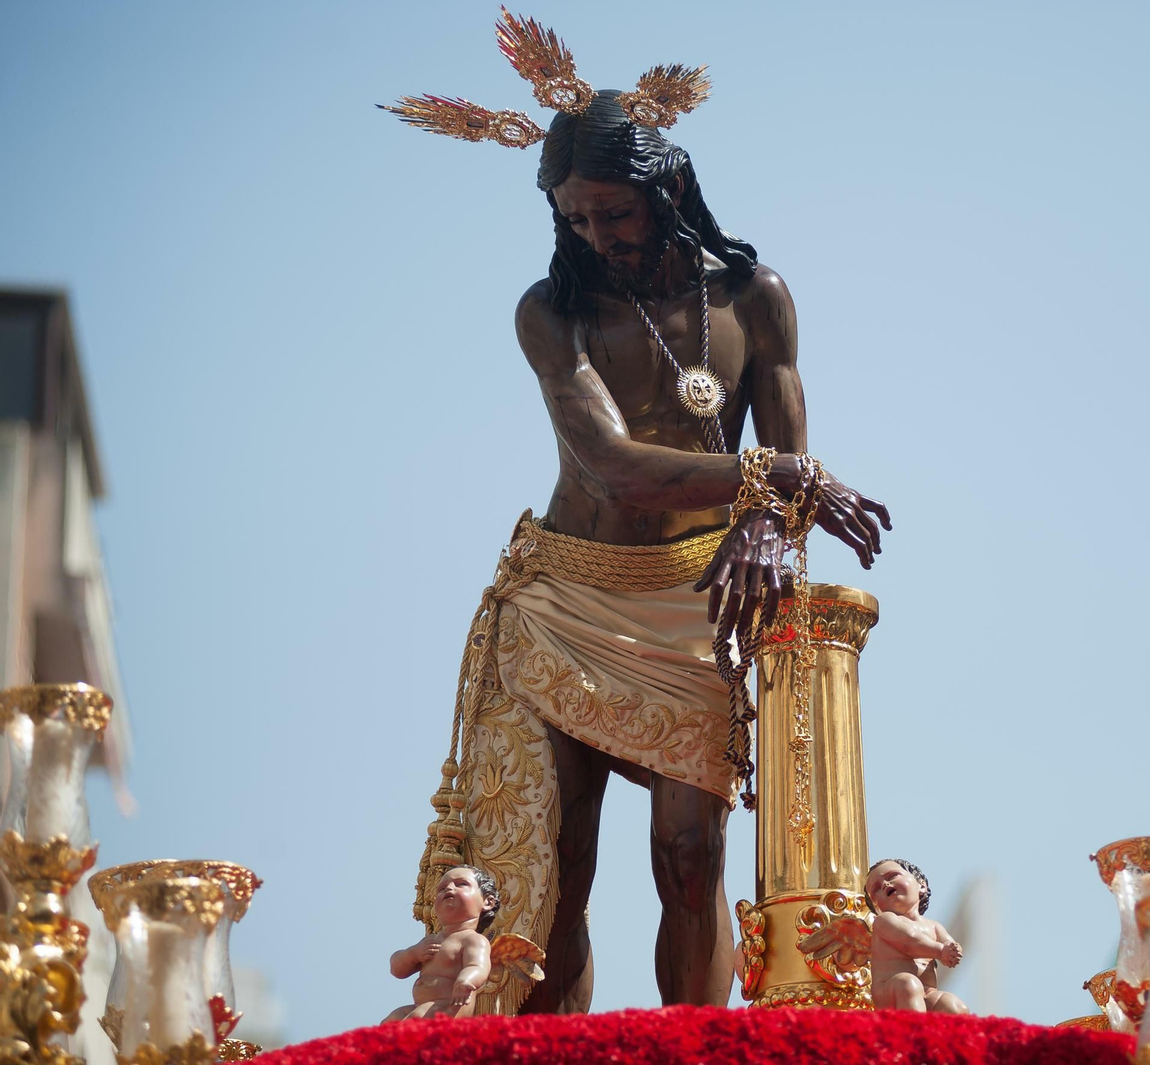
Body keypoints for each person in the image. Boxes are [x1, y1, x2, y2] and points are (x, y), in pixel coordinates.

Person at [381, 13, 890, 1014]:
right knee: (555, 859)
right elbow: (614, 466)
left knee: (691, 853)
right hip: (567, 595)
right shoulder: (552, 311)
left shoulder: (754, 296)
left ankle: (689, 1040)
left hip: (699, 600)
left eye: (613, 215)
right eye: (573, 219)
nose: (596, 238)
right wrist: (773, 477)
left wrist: (764, 517)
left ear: (667, 192)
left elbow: (780, 486)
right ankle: (547, 1043)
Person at [384, 866, 498, 1022]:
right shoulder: (431, 941)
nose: (449, 888)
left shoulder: (472, 939)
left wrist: (466, 981)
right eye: (441, 888)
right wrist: (413, 953)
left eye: (461, 884)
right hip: (421, 1005)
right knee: (391, 1020)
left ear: (487, 901)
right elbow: (396, 969)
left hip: (450, 1005)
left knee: (412, 1022)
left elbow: (478, 966)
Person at [864, 859, 969, 1014]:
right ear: (877, 908)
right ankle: (915, 1033)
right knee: (908, 984)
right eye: (876, 889)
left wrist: (953, 950)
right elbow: (909, 941)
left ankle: (958, 1037)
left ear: (921, 885)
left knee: (952, 1005)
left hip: (928, 992)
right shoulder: (885, 921)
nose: (885, 885)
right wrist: (940, 951)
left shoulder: (934, 926)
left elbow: (949, 943)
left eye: (892, 876)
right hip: (892, 989)